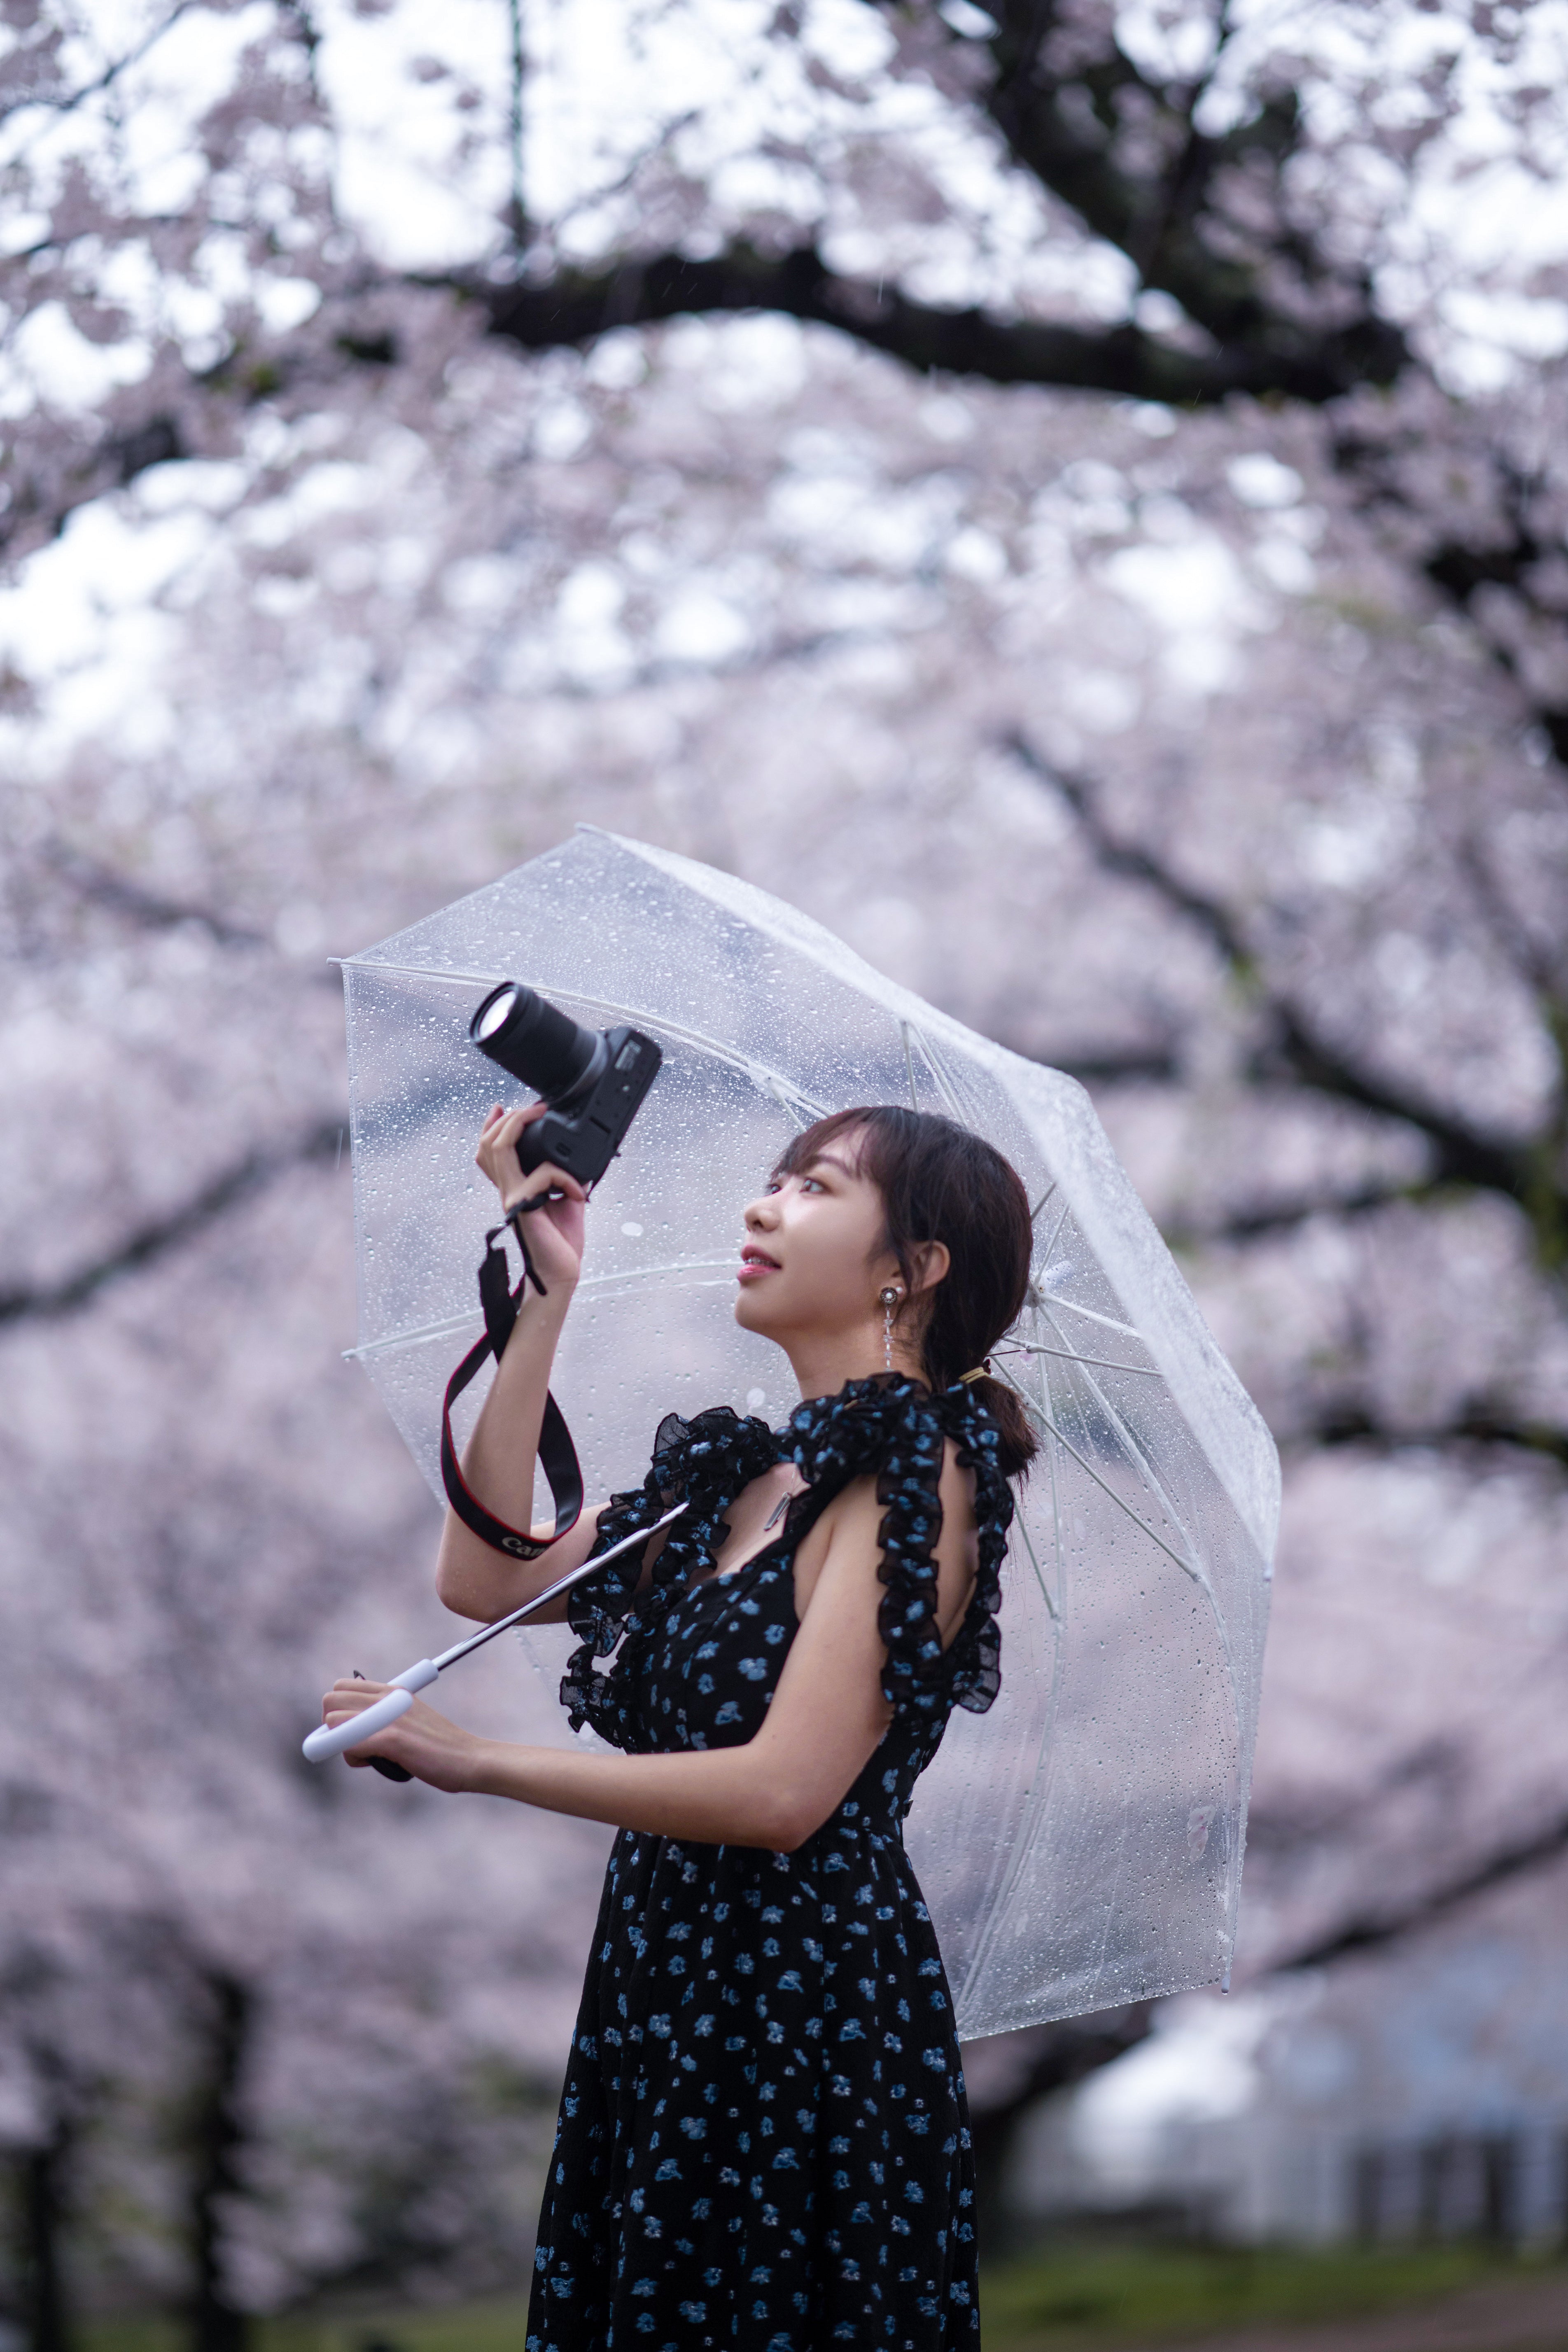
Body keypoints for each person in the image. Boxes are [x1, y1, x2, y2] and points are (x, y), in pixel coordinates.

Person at [321, 1101, 1037, 2352]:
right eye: (774, 1180)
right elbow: (489, 1579)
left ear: (914, 1270)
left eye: (814, 1189)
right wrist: (545, 1296)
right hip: (671, 1979)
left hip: (799, 2006)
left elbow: (783, 1794)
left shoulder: (924, 1479)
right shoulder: (739, 1482)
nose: (762, 1208)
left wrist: (470, 1758)